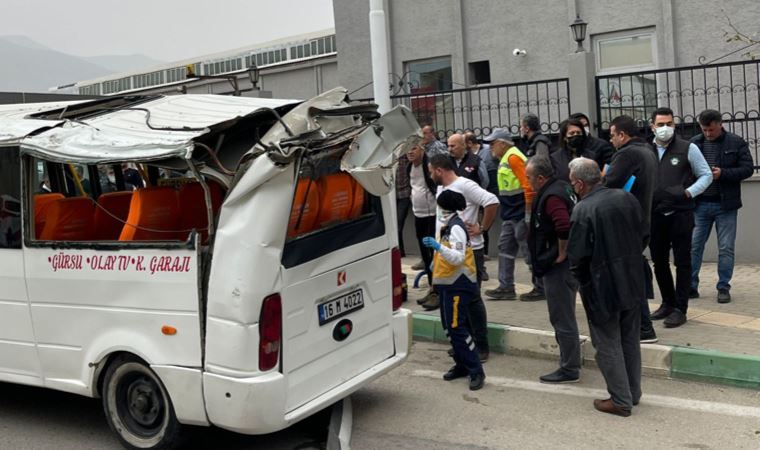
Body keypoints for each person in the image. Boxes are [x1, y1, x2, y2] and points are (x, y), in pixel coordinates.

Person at [568, 157, 645, 417]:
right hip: (633, 278)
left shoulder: (582, 209)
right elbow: (643, 233)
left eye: (572, 183)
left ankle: (621, 399)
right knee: (629, 338)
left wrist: (582, 281)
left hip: (602, 284)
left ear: (579, 184)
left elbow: (577, 256)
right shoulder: (626, 198)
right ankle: (632, 392)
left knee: (607, 342)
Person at [428, 154, 499, 361]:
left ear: (439, 170)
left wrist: (482, 228)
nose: (430, 174)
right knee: (455, 300)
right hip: (447, 253)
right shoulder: (442, 188)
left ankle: (481, 345)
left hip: (469, 251)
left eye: (432, 170)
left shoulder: (465, 185)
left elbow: (492, 201)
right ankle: (464, 343)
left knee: (473, 298)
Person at [648, 107, 712, 328]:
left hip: (680, 214)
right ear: (652, 126)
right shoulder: (646, 151)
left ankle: (680, 308)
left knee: (683, 262)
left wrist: (689, 192)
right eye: (660, 124)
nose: (665, 128)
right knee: (659, 261)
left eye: (669, 124)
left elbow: (706, 175)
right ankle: (667, 302)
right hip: (655, 215)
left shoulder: (688, 148)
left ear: (674, 125)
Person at [422, 190, 486, 391]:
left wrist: (439, 249)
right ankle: (462, 365)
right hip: (447, 286)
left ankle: (476, 370)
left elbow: (458, 258)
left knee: (457, 328)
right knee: (450, 328)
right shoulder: (448, 226)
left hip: (459, 285)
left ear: (445, 207)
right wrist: (435, 263)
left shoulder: (456, 227)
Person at [525, 156, 581, 384]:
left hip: (558, 267)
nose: (526, 182)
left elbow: (563, 225)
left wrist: (561, 252)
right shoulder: (561, 187)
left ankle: (569, 368)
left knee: (562, 317)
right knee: (563, 314)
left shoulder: (552, 196)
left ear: (540, 177)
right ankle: (569, 360)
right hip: (561, 264)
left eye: (528, 178)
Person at [690, 109, 754, 304]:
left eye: (711, 130)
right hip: (700, 204)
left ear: (720, 124)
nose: (708, 134)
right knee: (694, 246)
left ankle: (723, 287)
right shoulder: (694, 143)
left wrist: (723, 173)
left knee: (726, 248)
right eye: (704, 130)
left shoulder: (735, 142)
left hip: (725, 205)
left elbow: (748, 169)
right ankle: (690, 285)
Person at [604, 115, 658, 344]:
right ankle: (638, 325)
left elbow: (608, 184)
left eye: (612, 136)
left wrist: (600, 177)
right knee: (631, 273)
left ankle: (644, 328)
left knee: (629, 276)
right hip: (642, 221)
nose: (611, 140)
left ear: (622, 135)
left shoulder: (626, 154)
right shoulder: (648, 151)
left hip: (625, 224)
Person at [479, 129, 535, 301]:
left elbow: (528, 187)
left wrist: (527, 215)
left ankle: (541, 286)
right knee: (505, 248)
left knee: (528, 251)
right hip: (511, 214)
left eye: (493, 143)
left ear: (503, 143)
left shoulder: (512, 157)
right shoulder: (507, 157)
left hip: (519, 213)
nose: (490, 148)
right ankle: (506, 287)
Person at [406, 144, 438, 303]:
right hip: (418, 215)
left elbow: (436, 186)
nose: (410, 152)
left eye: (413, 149)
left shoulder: (429, 166)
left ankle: (436, 290)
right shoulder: (408, 167)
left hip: (432, 215)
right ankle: (432, 288)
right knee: (425, 254)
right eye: (408, 149)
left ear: (422, 150)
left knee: (435, 253)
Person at [465, 132, 498, 258]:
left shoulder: (484, 153)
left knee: (481, 224)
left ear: (469, 143)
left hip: (482, 194)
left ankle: (483, 253)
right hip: (470, 198)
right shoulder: (465, 158)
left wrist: (479, 192)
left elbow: (485, 179)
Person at [395, 152, 412, 257]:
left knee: (398, 225)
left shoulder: (405, 155)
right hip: (392, 195)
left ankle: (400, 252)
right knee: (394, 226)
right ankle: (399, 252)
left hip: (404, 194)